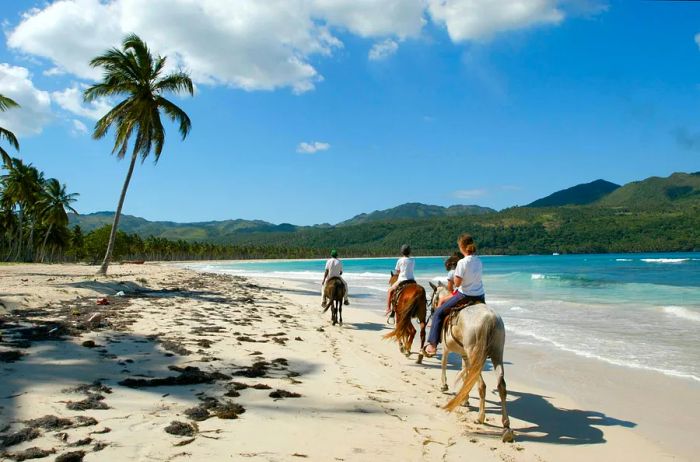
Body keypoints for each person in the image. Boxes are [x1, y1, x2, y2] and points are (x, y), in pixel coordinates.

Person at [423, 234, 485, 357]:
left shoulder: (462, 262)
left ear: (462, 247)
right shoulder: (479, 261)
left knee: (438, 313)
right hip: (480, 296)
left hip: (465, 295)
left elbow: (457, 283)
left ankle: (432, 345)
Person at [385, 244, 415, 315]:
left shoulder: (400, 260)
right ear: (409, 252)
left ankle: (388, 308)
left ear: (402, 252)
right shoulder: (413, 260)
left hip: (402, 280)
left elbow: (398, 272)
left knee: (390, 291)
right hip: (412, 280)